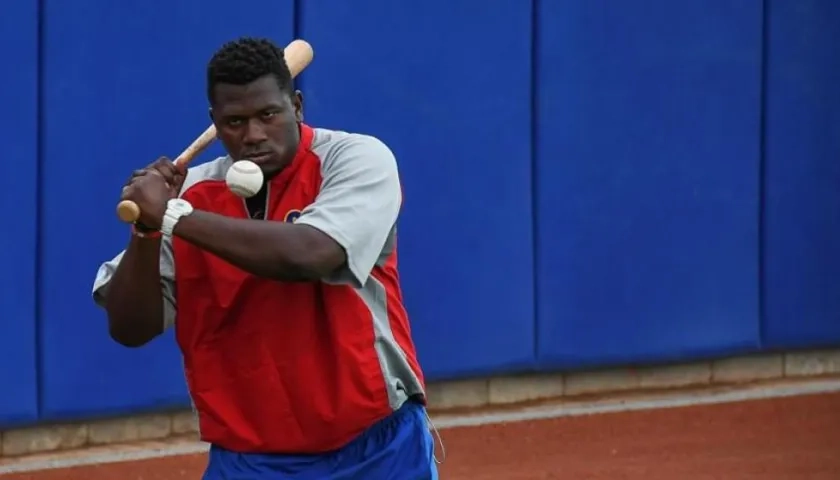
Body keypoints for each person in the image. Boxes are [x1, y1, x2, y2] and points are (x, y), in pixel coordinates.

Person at [91, 36, 439, 480]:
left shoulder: (355, 160)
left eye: (268, 115)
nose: (254, 135)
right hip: (250, 460)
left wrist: (173, 215)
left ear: (296, 105)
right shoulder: (191, 196)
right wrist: (145, 230)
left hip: (376, 448)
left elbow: (311, 253)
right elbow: (129, 328)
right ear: (214, 123)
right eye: (235, 121)